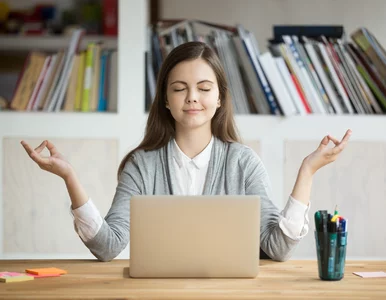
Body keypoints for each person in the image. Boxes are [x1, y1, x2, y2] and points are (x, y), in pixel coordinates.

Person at [21, 41, 352, 262]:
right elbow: (108, 247)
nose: (192, 97)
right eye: (180, 89)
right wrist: (69, 176)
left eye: (204, 89)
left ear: (219, 97)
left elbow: (277, 248)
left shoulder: (243, 163)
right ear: (166, 99)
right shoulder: (142, 165)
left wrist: (307, 171)